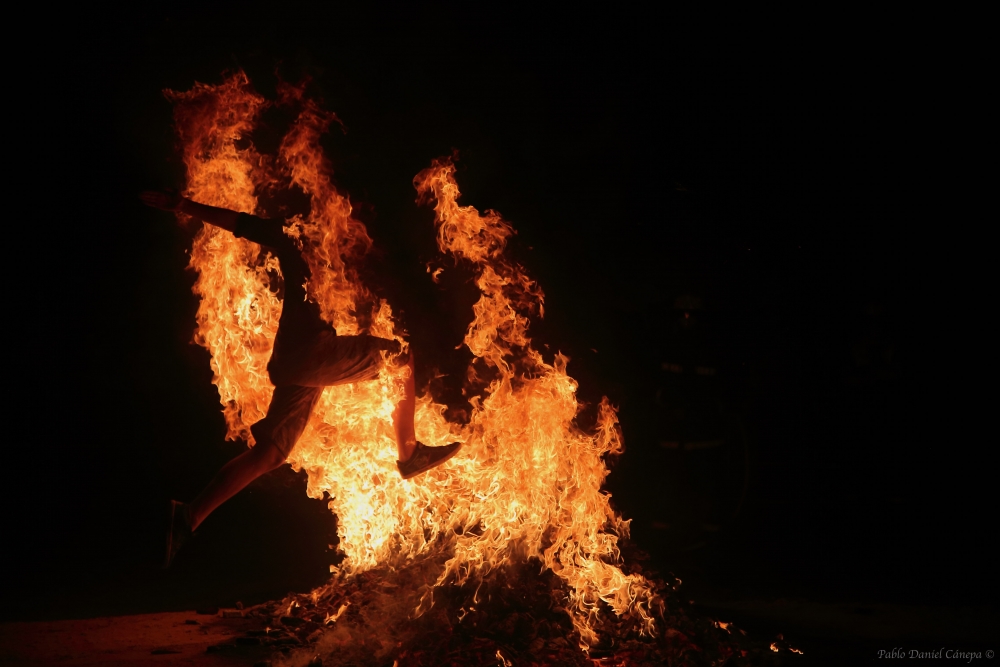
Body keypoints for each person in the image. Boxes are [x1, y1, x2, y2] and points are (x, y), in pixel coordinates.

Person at [140, 191, 462, 568]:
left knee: (271, 453)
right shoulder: (297, 237)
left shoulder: (334, 257)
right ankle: (409, 453)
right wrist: (186, 207)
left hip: (302, 362)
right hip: (309, 353)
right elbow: (245, 224)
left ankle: (189, 516)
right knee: (400, 358)